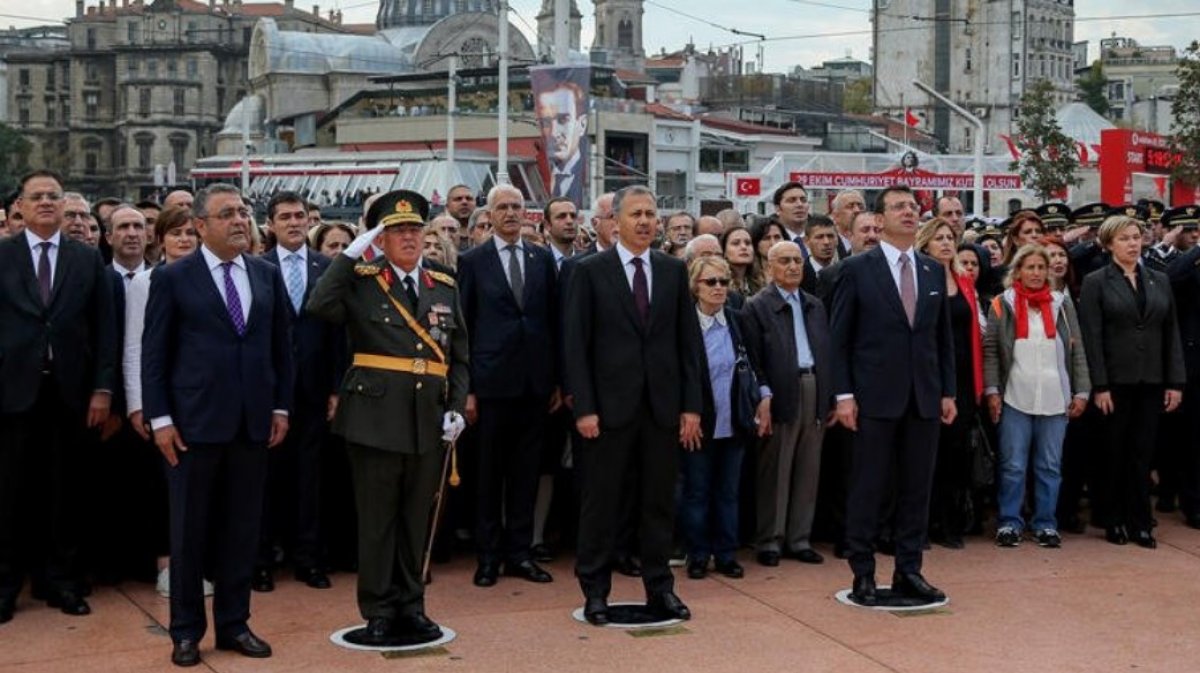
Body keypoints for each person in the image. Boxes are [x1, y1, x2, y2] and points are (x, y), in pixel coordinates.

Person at [306, 189, 468, 647]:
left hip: (427, 418)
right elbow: (318, 306)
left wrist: (455, 405)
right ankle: (378, 609)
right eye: (398, 231)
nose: (410, 238)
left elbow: (459, 355)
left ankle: (412, 605)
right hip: (375, 418)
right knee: (378, 522)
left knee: (417, 519)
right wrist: (351, 254)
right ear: (382, 238)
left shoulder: (445, 282)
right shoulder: (362, 277)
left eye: (416, 229)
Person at [141, 183, 293, 666]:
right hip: (192, 426)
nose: (239, 220)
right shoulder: (173, 278)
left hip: (252, 424)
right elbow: (154, 355)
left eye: (243, 212)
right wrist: (160, 418)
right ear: (201, 226)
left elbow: (280, 350)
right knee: (189, 532)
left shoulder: (266, 275)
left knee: (241, 530)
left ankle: (234, 623)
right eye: (227, 213)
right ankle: (185, 631)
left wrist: (281, 407)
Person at [564, 185, 703, 626]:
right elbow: (575, 346)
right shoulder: (588, 272)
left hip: (661, 410)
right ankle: (596, 593)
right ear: (615, 222)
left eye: (651, 214)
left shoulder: (671, 270)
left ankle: (660, 589)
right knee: (601, 504)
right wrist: (583, 407)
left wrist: (691, 407)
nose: (645, 221)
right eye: (636, 214)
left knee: (659, 503)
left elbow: (688, 344)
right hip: (607, 411)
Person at [831, 185, 956, 607]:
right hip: (873, 397)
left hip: (923, 395)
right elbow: (840, 340)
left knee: (916, 488)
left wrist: (947, 391)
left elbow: (941, 340)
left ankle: (909, 570)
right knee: (868, 486)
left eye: (913, 206)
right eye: (899, 206)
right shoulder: (857, 269)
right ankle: (863, 572)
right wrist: (844, 395)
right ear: (879, 219)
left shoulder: (932, 270)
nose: (909, 212)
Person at [0, 170, 116, 624]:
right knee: (10, 494)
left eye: (54, 196)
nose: (46, 202)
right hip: (13, 392)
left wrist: (103, 388)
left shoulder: (86, 259)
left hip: (72, 393)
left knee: (65, 492)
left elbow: (105, 328)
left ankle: (62, 581)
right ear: (21, 208)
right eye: (37, 197)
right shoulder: (3, 256)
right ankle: (7, 585)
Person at [457, 184, 559, 588]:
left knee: (526, 473)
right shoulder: (472, 261)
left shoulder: (540, 258)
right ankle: (488, 557)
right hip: (490, 385)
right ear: (491, 214)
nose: (512, 213)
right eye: (503, 207)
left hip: (534, 384)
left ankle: (520, 553)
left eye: (518, 207)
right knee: (488, 475)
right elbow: (463, 327)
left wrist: (555, 379)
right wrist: (466, 388)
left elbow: (551, 320)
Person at [1079, 215, 1184, 549]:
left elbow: (1171, 333)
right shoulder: (1096, 281)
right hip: (1115, 382)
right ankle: (1113, 519)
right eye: (1124, 238)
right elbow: (1091, 337)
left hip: (1151, 380)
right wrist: (1100, 386)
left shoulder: (1158, 279)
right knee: (1114, 452)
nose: (1133, 243)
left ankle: (1141, 522)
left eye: (1137, 237)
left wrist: (1175, 382)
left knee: (1142, 453)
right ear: (1110, 244)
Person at [254, 191, 340, 593]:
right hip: (268, 391)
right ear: (270, 224)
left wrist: (336, 388)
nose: (293, 222)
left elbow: (339, 332)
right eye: (284, 216)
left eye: (299, 215)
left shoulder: (327, 267)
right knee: (266, 480)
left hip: (314, 388)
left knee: (312, 479)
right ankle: (262, 559)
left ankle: (309, 559)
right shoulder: (256, 268)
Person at [984, 244, 1090, 549]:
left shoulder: (1060, 303)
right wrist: (992, 391)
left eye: (1040, 268)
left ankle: (1045, 523)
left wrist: (1081, 391)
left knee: (1049, 465)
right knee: (1013, 465)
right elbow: (991, 351)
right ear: (1017, 271)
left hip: (1055, 397)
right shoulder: (1003, 304)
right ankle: (1009, 522)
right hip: (1016, 395)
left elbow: (1077, 348)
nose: (1035, 273)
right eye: (1029, 267)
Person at [122, 204, 199, 597]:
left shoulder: (208, 279)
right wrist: (140, 405)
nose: (184, 239)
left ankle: (199, 564)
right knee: (163, 485)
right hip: (162, 398)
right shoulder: (146, 282)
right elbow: (135, 346)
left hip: (202, 400)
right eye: (176, 233)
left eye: (190, 233)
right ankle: (167, 564)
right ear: (161, 239)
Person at [741, 241, 832, 566]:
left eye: (797, 261)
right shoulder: (756, 306)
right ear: (769, 266)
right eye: (785, 261)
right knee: (775, 467)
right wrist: (763, 393)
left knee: (809, 466)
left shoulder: (814, 304)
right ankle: (770, 539)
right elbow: (753, 358)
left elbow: (827, 351)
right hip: (779, 389)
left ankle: (799, 537)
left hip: (814, 385)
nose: (793, 266)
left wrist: (830, 396)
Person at [681, 256, 752, 580]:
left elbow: (753, 366)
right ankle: (697, 553)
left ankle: (726, 553)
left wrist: (763, 397)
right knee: (697, 492)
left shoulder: (738, 321)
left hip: (733, 420)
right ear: (696, 286)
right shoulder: (684, 326)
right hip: (698, 422)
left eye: (724, 281)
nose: (719, 288)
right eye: (711, 282)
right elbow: (680, 375)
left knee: (728, 492)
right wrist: (686, 412)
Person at [916, 217, 983, 550]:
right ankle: (923, 522)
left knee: (957, 454)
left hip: (963, 377)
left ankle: (949, 521)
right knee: (927, 454)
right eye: (938, 238)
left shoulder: (965, 280)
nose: (945, 243)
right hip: (928, 375)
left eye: (950, 238)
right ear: (925, 243)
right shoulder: (916, 278)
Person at [1164, 205, 1200, 528]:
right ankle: (1193, 503)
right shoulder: (1185, 265)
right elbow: (1167, 279)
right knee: (1192, 440)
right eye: (1189, 230)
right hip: (1193, 363)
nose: (1193, 234)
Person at [536, 80, 588, 205]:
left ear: (582, 124)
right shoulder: (539, 172)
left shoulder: (588, 178)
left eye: (563, 120)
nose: (554, 133)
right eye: (547, 122)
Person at [721, 225, 758, 296]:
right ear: (724, 252)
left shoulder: (760, 284)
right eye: (736, 243)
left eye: (748, 243)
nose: (744, 247)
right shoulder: (720, 283)